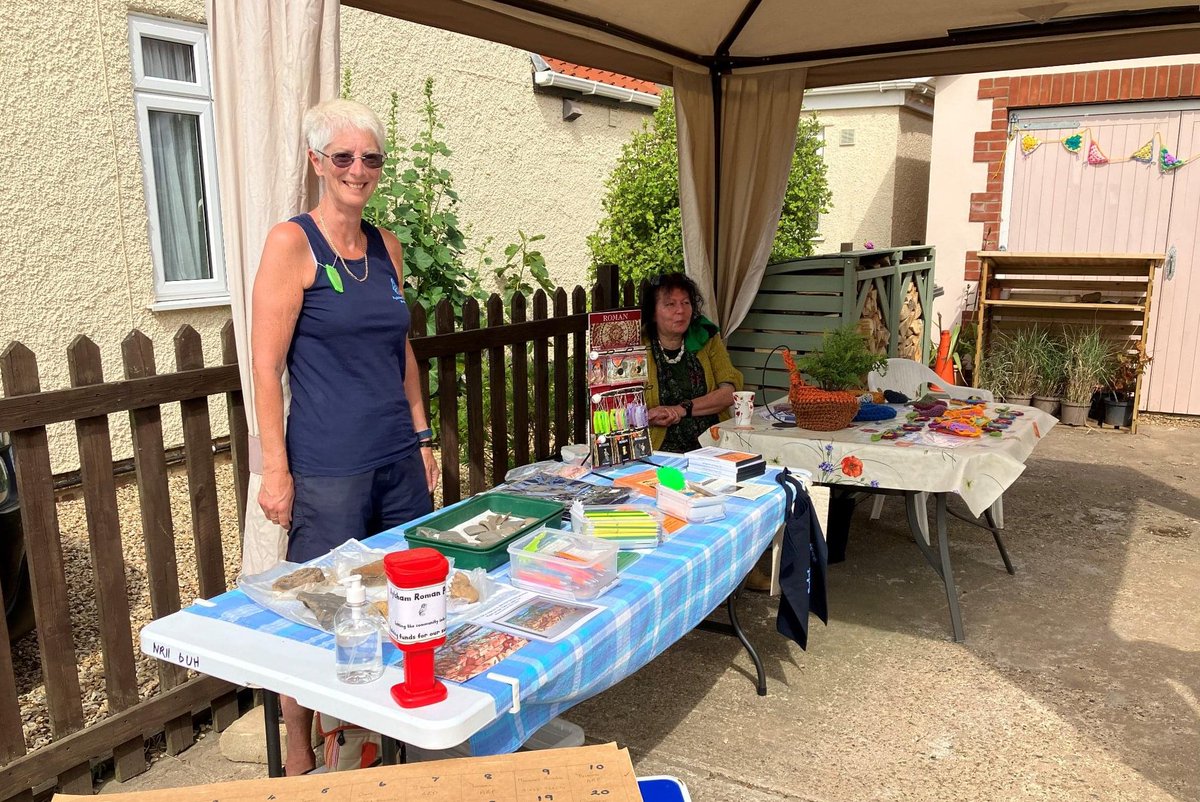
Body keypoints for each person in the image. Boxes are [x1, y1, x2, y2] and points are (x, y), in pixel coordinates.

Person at [251, 98, 438, 775]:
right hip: (328, 467)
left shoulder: (385, 247)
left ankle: (375, 731)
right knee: (315, 607)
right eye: (344, 157)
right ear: (317, 163)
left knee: (404, 597)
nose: (359, 170)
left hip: (397, 459)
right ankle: (300, 743)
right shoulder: (291, 243)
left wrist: (424, 437)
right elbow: (266, 368)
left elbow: (403, 352)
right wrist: (277, 470)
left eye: (371, 158)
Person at [641, 272, 743, 452]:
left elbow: (729, 392)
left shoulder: (705, 337)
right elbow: (620, 405)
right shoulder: (638, 345)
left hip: (712, 444)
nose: (680, 310)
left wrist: (681, 409)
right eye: (670, 304)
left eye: (685, 303)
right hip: (659, 449)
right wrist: (646, 416)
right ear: (653, 313)